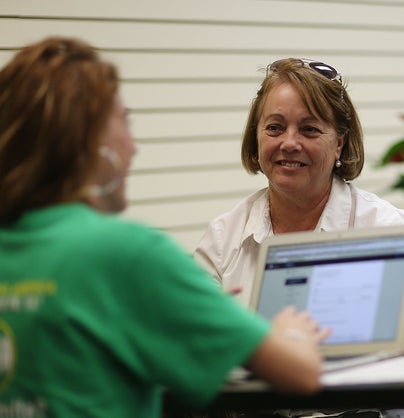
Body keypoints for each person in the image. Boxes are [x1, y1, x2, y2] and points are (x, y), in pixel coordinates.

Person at [0, 37, 329, 418]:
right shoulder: (124, 253)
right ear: (88, 141)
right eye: (125, 120)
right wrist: (289, 329)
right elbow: (299, 374)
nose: (134, 148)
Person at [194, 57, 404, 314]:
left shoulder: (386, 230)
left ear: (339, 144)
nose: (289, 143)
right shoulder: (223, 240)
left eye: (309, 129)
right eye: (275, 128)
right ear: (256, 137)